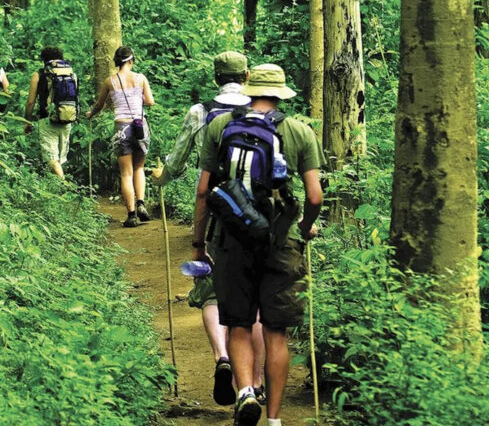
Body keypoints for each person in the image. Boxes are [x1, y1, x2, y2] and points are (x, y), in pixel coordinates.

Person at [192, 63, 324, 426]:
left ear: (248, 88)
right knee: (275, 331)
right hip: (281, 242)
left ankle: (245, 391)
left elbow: (204, 191)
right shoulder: (299, 131)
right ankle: (276, 419)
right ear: (281, 93)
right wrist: (304, 227)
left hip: (231, 240)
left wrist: (198, 244)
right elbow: (315, 196)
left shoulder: (219, 126)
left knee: (238, 324)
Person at [150, 51, 268, 406]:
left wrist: (162, 179)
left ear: (215, 76)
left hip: (218, 211)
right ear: (246, 75)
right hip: (259, 214)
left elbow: (179, 159)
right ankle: (257, 383)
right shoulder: (265, 110)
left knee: (212, 291)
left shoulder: (201, 112)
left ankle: (223, 357)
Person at [86, 46, 154, 227]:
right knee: (139, 169)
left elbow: (99, 105)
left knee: (126, 173)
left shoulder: (110, 81)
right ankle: (141, 204)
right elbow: (150, 101)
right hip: (140, 126)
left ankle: (131, 215)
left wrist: (90, 113)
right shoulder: (140, 78)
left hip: (121, 127)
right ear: (131, 61)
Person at [25, 46, 75, 179]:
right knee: (59, 158)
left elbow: (30, 102)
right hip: (67, 118)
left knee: (51, 158)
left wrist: (27, 121)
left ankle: (64, 185)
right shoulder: (70, 74)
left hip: (47, 120)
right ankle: (59, 189)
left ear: (44, 59)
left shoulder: (38, 75)